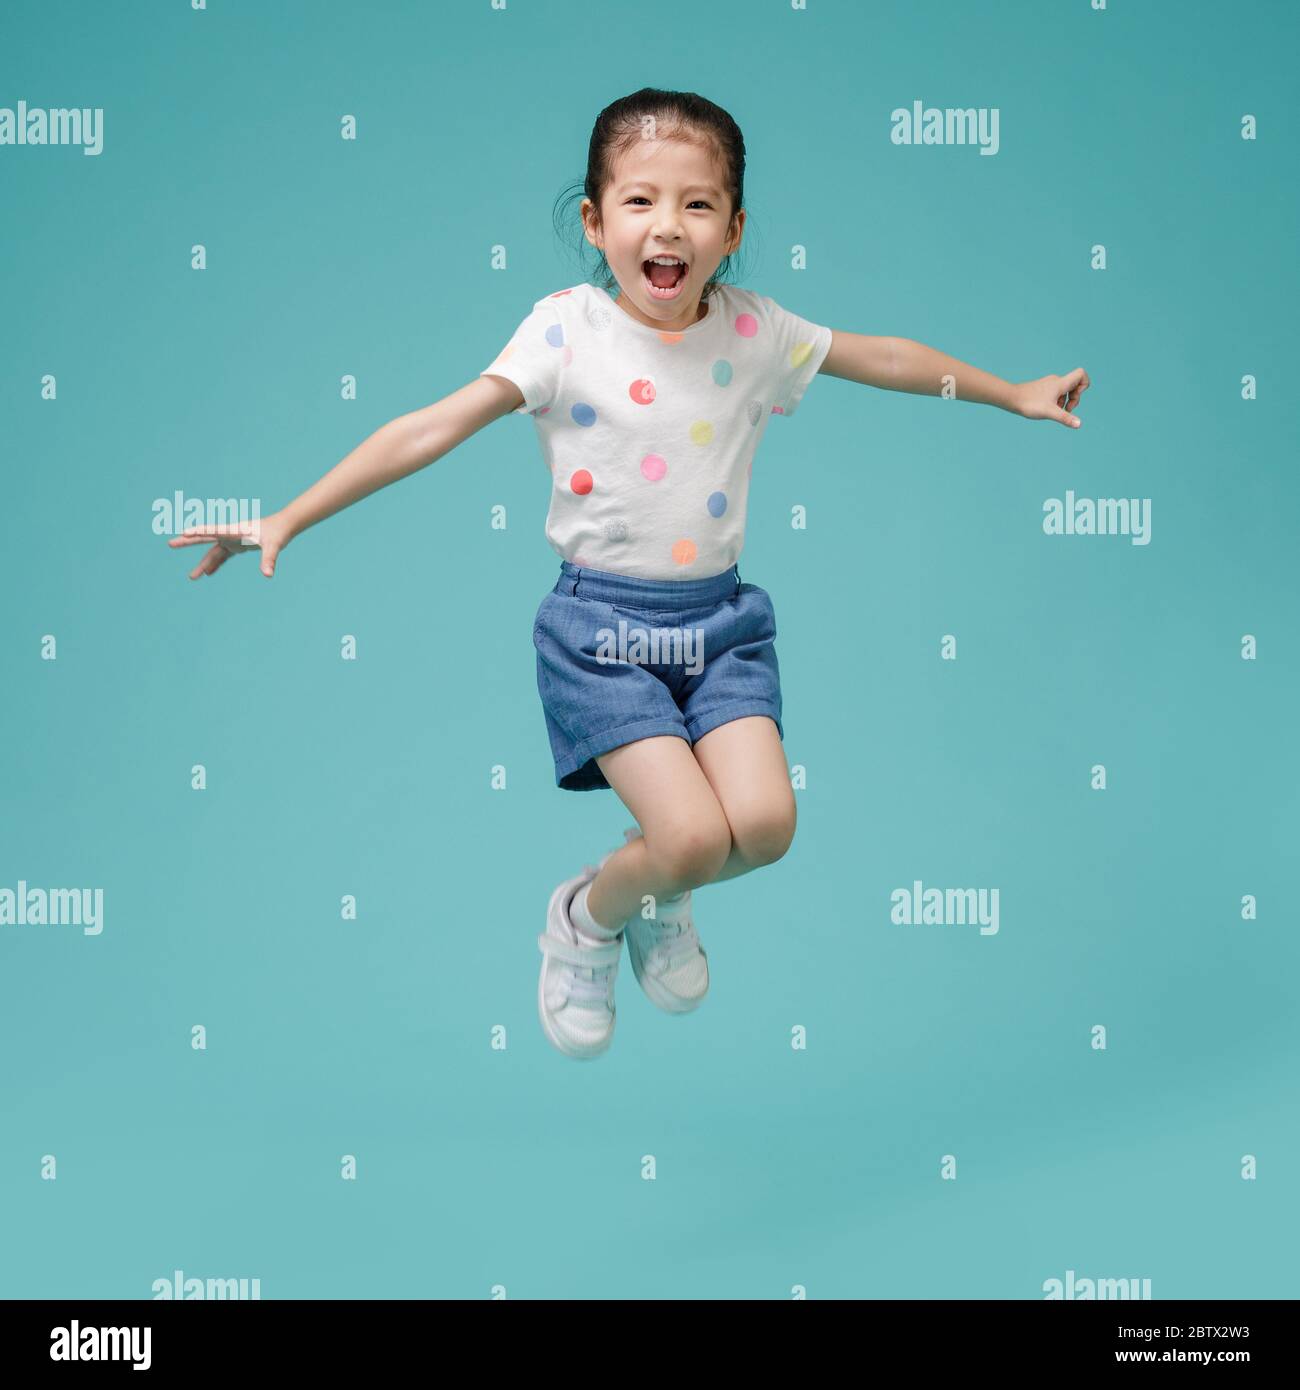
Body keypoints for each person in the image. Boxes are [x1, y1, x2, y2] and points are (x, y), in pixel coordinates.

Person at [168, 87, 1089, 1063]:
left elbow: (890, 356)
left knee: (765, 826)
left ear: (733, 230)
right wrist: (290, 515)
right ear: (595, 221)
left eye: (698, 205)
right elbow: (429, 426)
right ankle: (585, 916)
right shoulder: (565, 333)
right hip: (603, 636)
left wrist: (1011, 393)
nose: (669, 225)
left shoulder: (756, 332)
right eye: (641, 200)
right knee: (689, 836)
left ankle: (654, 887)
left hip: (722, 627)